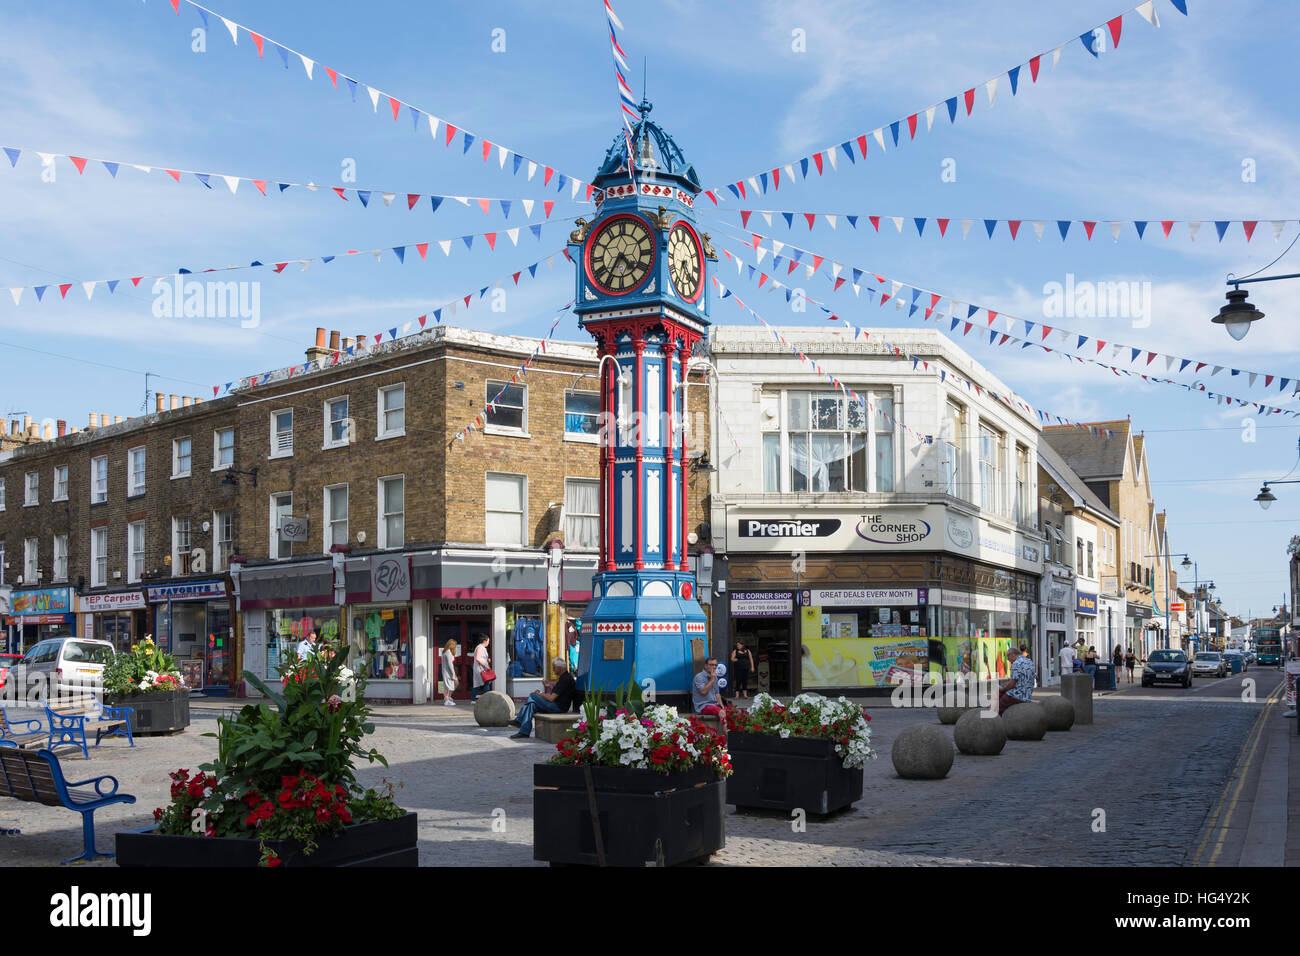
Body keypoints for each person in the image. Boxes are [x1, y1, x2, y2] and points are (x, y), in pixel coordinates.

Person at [510, 659, 576, 739]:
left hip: (558, 708)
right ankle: (524, 732)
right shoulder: (564, 677)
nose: (553, 669)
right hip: (557, 705)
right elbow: (557, 693)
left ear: (560, 668)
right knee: (532, 705)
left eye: (554, 667)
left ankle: (519, 719)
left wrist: (540, 694)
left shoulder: (565, 679)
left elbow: (551, 698)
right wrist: (548, 686)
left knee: (533, 695)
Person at [692, 658, 727, 729]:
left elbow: (717, 693)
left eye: (715, 665)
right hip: (703, 706)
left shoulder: (714, 676)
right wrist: (712, 680)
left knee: (731, 711)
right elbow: (703, 691)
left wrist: (722, 706)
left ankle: (734, 733)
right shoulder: (699, 677)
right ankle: (728, 735)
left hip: (715, 704)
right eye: (711, 665)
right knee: (722, 712)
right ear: (705, 666)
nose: (714, 667)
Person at [998, 645, 1035, 712]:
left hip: (1017, 696)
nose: (1008, 659)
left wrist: (1002, 689)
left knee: (998, 707)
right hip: (1027, 695)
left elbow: (1012, 684)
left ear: (1012, 655)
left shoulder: (1016, 663)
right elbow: (1021, 679)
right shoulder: (1030, 662)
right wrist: (1007, 684)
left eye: (1008, 656)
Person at [471, 635, 492, 701]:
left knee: (480, 683)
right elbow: (477, 658)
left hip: (481, 668)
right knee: (485, 682)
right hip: (480, 669)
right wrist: (486, 666)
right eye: (488, 641)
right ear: (484, 641)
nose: (489, 642)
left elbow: (481, 657)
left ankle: (474, 699)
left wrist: (487, 659)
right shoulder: (480, 647)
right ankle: (486, 699)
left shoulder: (482, 648)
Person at [440, 638, 459, 707]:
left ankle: (447, 698)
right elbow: (450, 665)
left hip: (446, 672)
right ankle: (447, 700)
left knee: (448, 686)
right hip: (448, 673)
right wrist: (453, 674)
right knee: (449, 686)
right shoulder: (448, 653)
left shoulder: (445, 652)